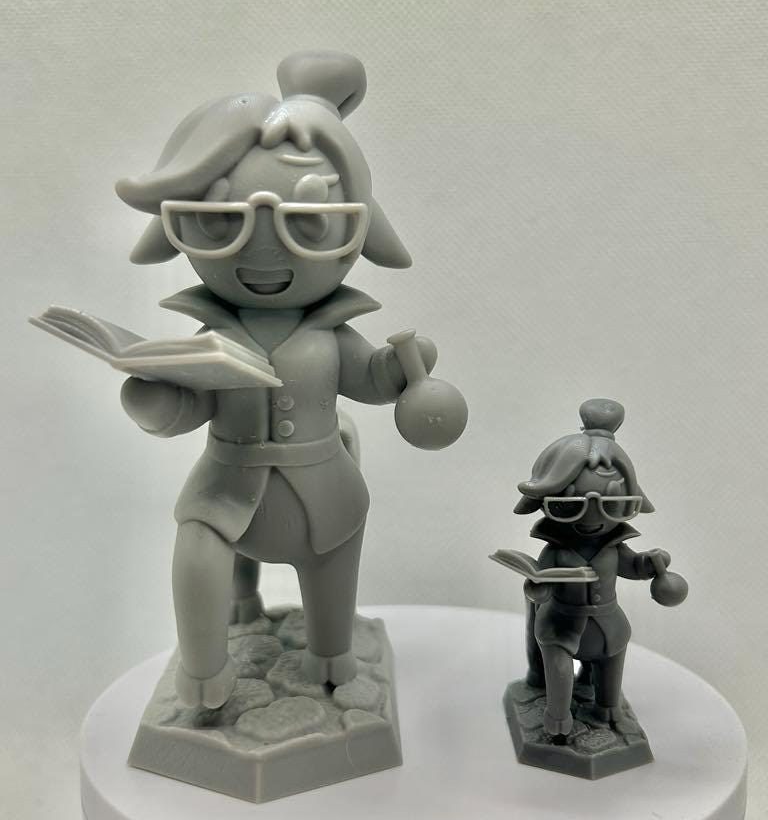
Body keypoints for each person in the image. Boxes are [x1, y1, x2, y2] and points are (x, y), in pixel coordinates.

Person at [115, 50, 459, 708]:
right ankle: (204, 669)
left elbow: (370, 379)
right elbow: (187, 407)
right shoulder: (213, 336)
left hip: (323, 492)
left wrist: (401, 370)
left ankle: (330, 649)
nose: (263, 250)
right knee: (197, 551)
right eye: (221, 223)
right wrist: (154, 397)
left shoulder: (329, 335)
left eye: (308, 223)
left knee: (331, 565)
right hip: (224, 489)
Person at [514, 398, 682, 738]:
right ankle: (558, 719)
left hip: (608, 625)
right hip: (561, 627)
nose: (592, 518)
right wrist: (537, 587)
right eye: (570, 503)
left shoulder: (613, 549)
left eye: (612, 503)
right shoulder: (556, 551)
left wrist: (650, 563)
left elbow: (632, 566)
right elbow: (542, 583)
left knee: (612, 661)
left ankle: (607, 706)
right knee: (560, 669)